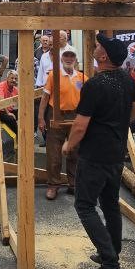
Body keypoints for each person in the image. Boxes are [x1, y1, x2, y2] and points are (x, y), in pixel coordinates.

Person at [62, 35, 135, 269]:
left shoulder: (95, 84)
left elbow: (80, 125)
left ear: (104, 56)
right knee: (109, 204)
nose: (94, 48)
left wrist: (68, 145)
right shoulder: (127, 80)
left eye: (97, 47)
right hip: (115, 154)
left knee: (84, 205)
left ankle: (111, 268)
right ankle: (112, 251)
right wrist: (117, 123)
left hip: (94, 155)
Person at [39, 48, 86, 200]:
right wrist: (40, 118)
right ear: (61, 58)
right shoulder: (53, 75)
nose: (68, 58)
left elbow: (89, 100)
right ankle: (53, 185)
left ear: (75, 59)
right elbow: (45, 98)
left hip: (76, 115)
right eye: (66, 55)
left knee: (75, 151)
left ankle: (74, 185)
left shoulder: (82, 77)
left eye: (72, 56)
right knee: (54, 153)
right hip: (55, 114)